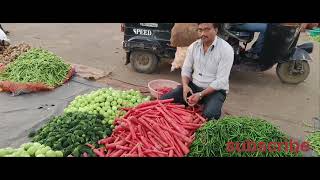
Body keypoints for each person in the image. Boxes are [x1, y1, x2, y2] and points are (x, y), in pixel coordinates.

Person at [161, 23, 234, 120]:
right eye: (200, 30)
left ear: (216, 30)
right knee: (163, 100)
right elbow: (186, 69)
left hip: (215, 91)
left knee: (210, 115)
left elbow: (221, 81)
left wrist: (200, 95)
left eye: (207, 29)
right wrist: (186, 86)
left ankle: (210, 105)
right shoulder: (193, 46)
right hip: (194, 87)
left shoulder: (226, 50)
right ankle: (198, 103)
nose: (203, 33)